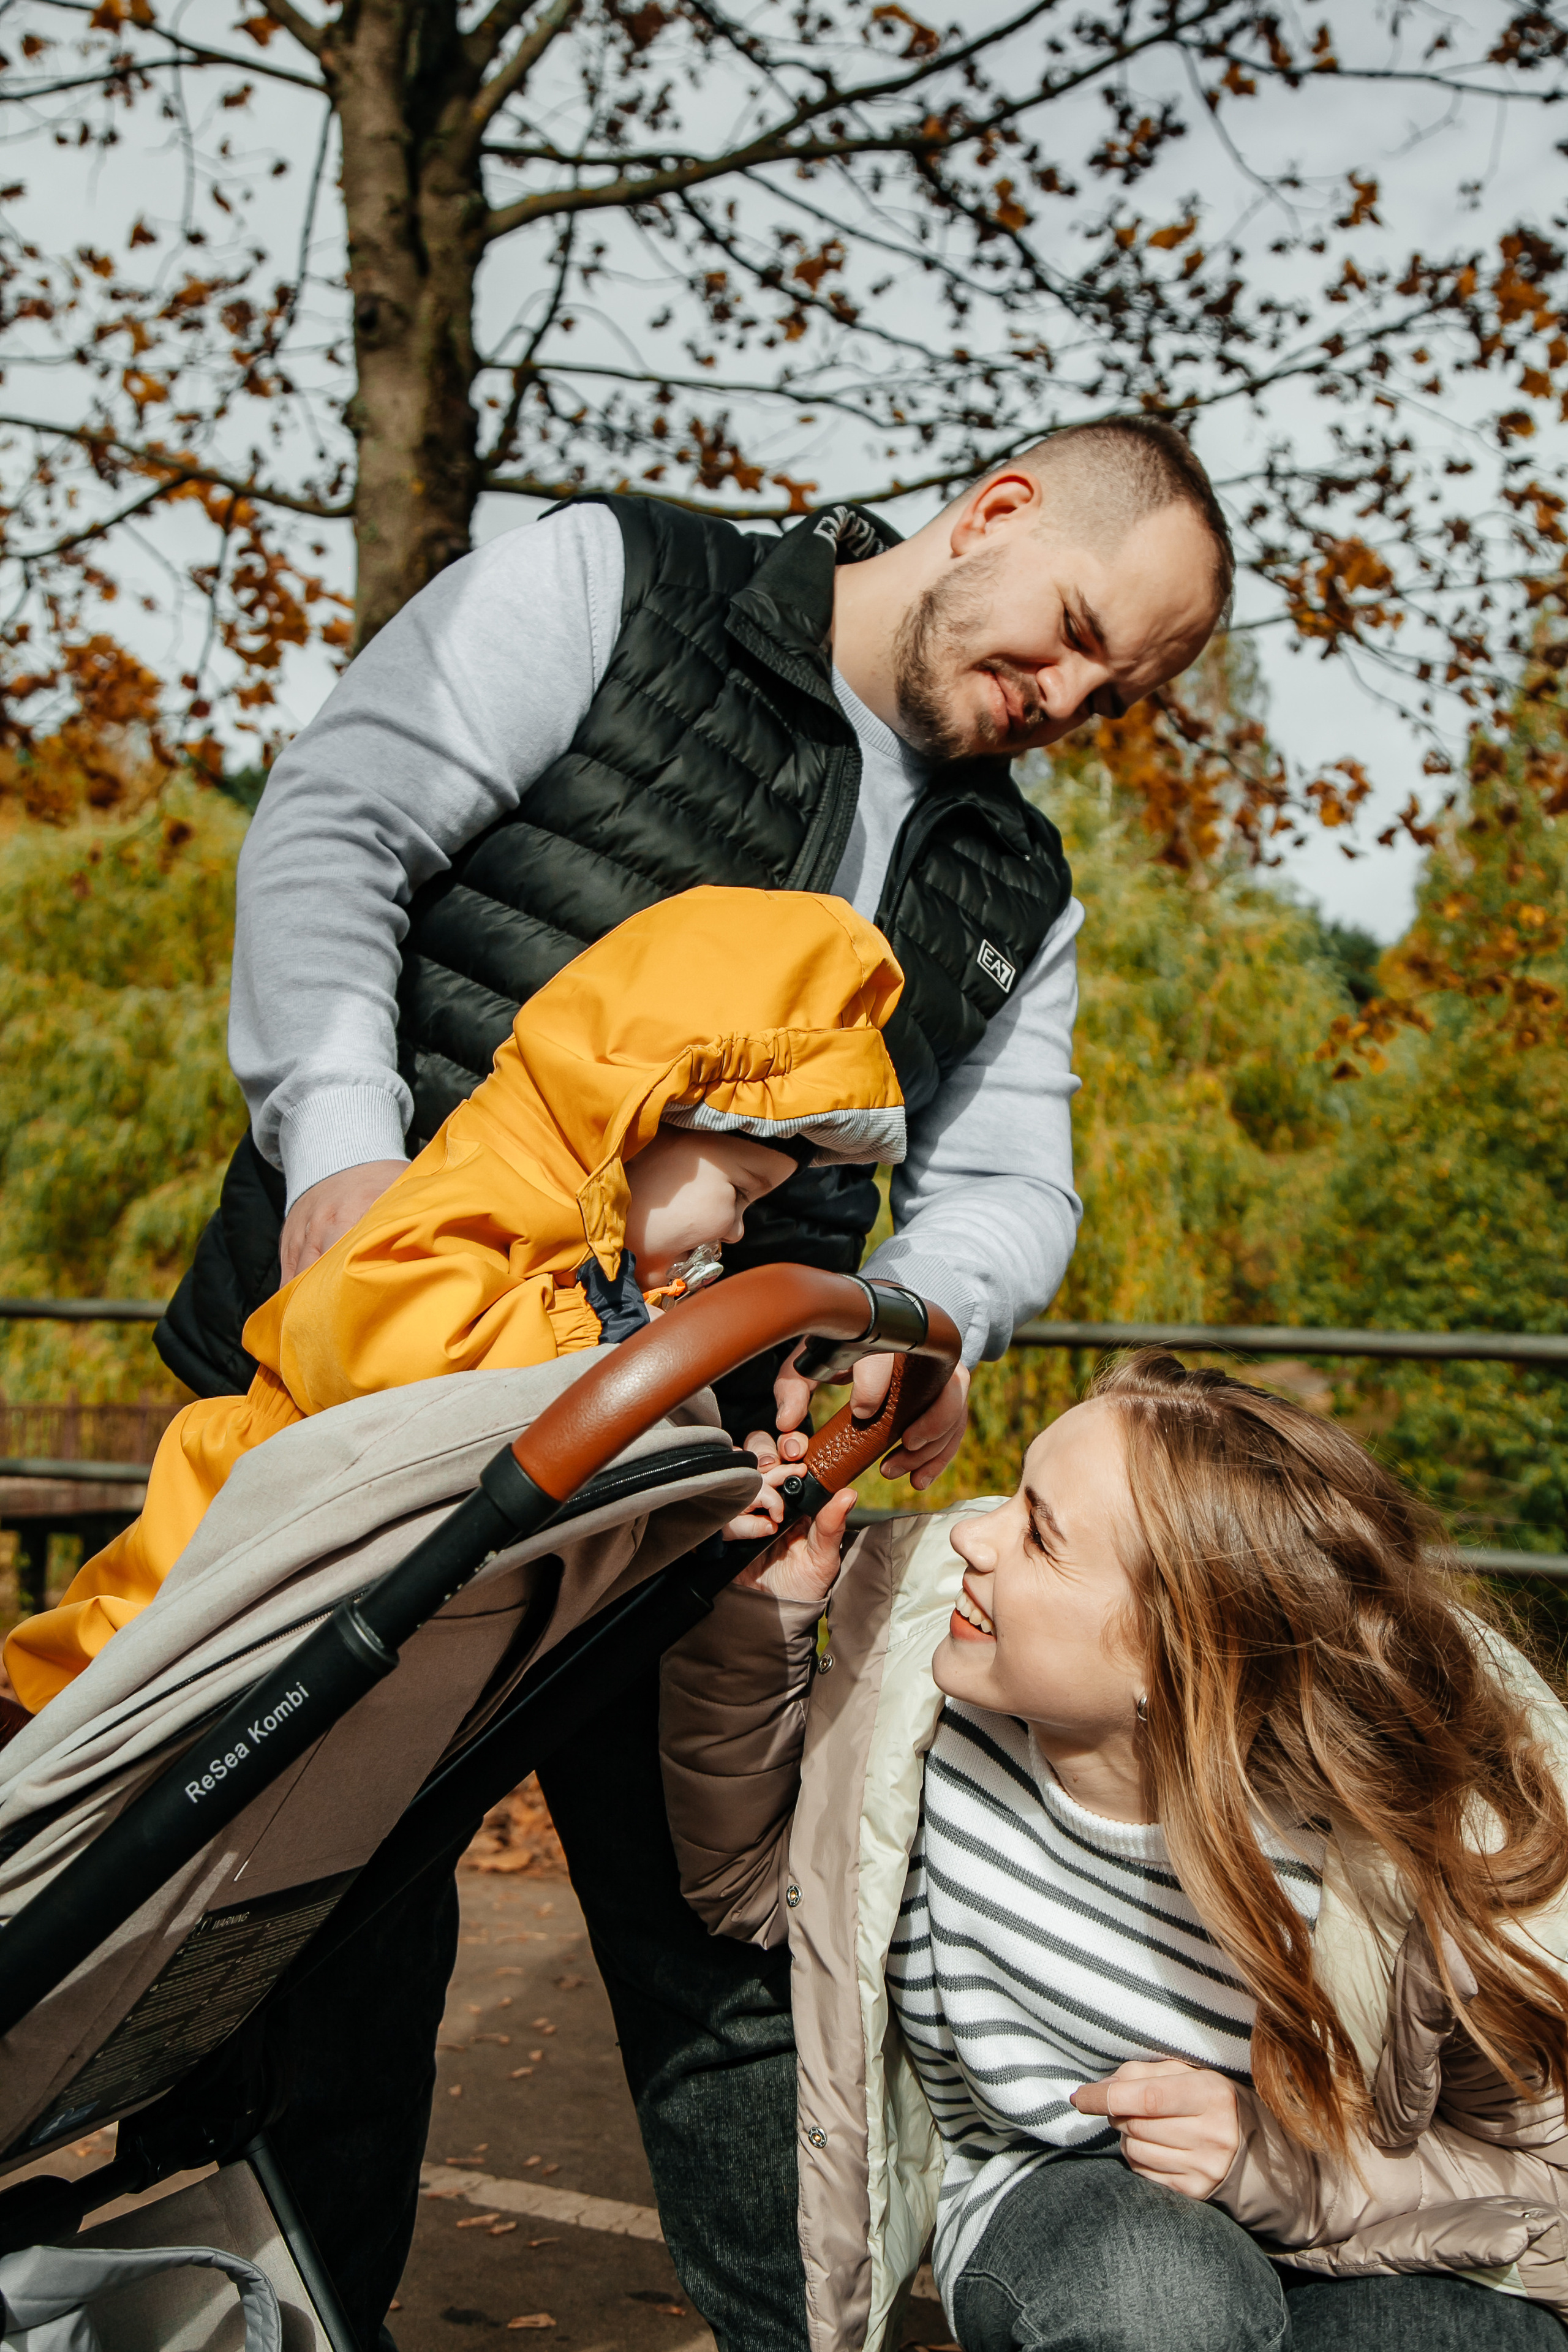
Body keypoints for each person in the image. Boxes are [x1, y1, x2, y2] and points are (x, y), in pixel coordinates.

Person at [154, 418, 1234, 2351]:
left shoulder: (1014, 877)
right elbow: (341, 826)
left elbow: (1009, 1181)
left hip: (686, 1475)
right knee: (319, 1960)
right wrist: (340, 1147)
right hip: (378, 1408)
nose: (1067, 697)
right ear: (992, 515)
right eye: (1070, 632)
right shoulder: (614, 586)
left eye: (1117, 686)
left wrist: (909, 1321)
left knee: (738, 1972)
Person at [662, 1351, 1568, 2352]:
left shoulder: (1409, 1851)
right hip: (1055, 2196)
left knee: (1449, 2336)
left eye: (1039, 1535)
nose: (971, 1533)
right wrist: (766, 1618)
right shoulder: (920, 1730)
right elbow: (746, 1889)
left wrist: (1273, 2167)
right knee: (1153, 2297)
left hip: (1362, 2201)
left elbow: (1544, 2184)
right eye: (1013, 1496)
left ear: (1175, 1656)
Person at [4, 886, 905, 1710]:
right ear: (646, 1115)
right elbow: (376, 1346)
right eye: (742, 1192)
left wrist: (691, 1499)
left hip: (287, 1630)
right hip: (186, 1610)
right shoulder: (478, 1197)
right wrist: (615, 1356)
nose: (741, 1230)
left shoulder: (586, 1275)